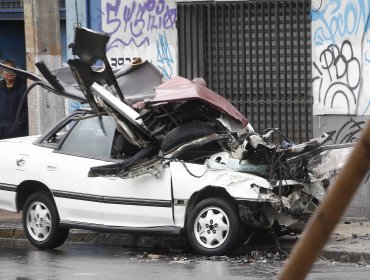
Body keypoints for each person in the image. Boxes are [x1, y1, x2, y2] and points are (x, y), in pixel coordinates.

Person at [0, 59, 28, 139]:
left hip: (18, 131)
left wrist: (18, 123)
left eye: (12, 69)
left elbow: (28, 109)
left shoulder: (24, 87)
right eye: (7, 70)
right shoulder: (0, 88)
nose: (10, 72)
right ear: (1, 72)